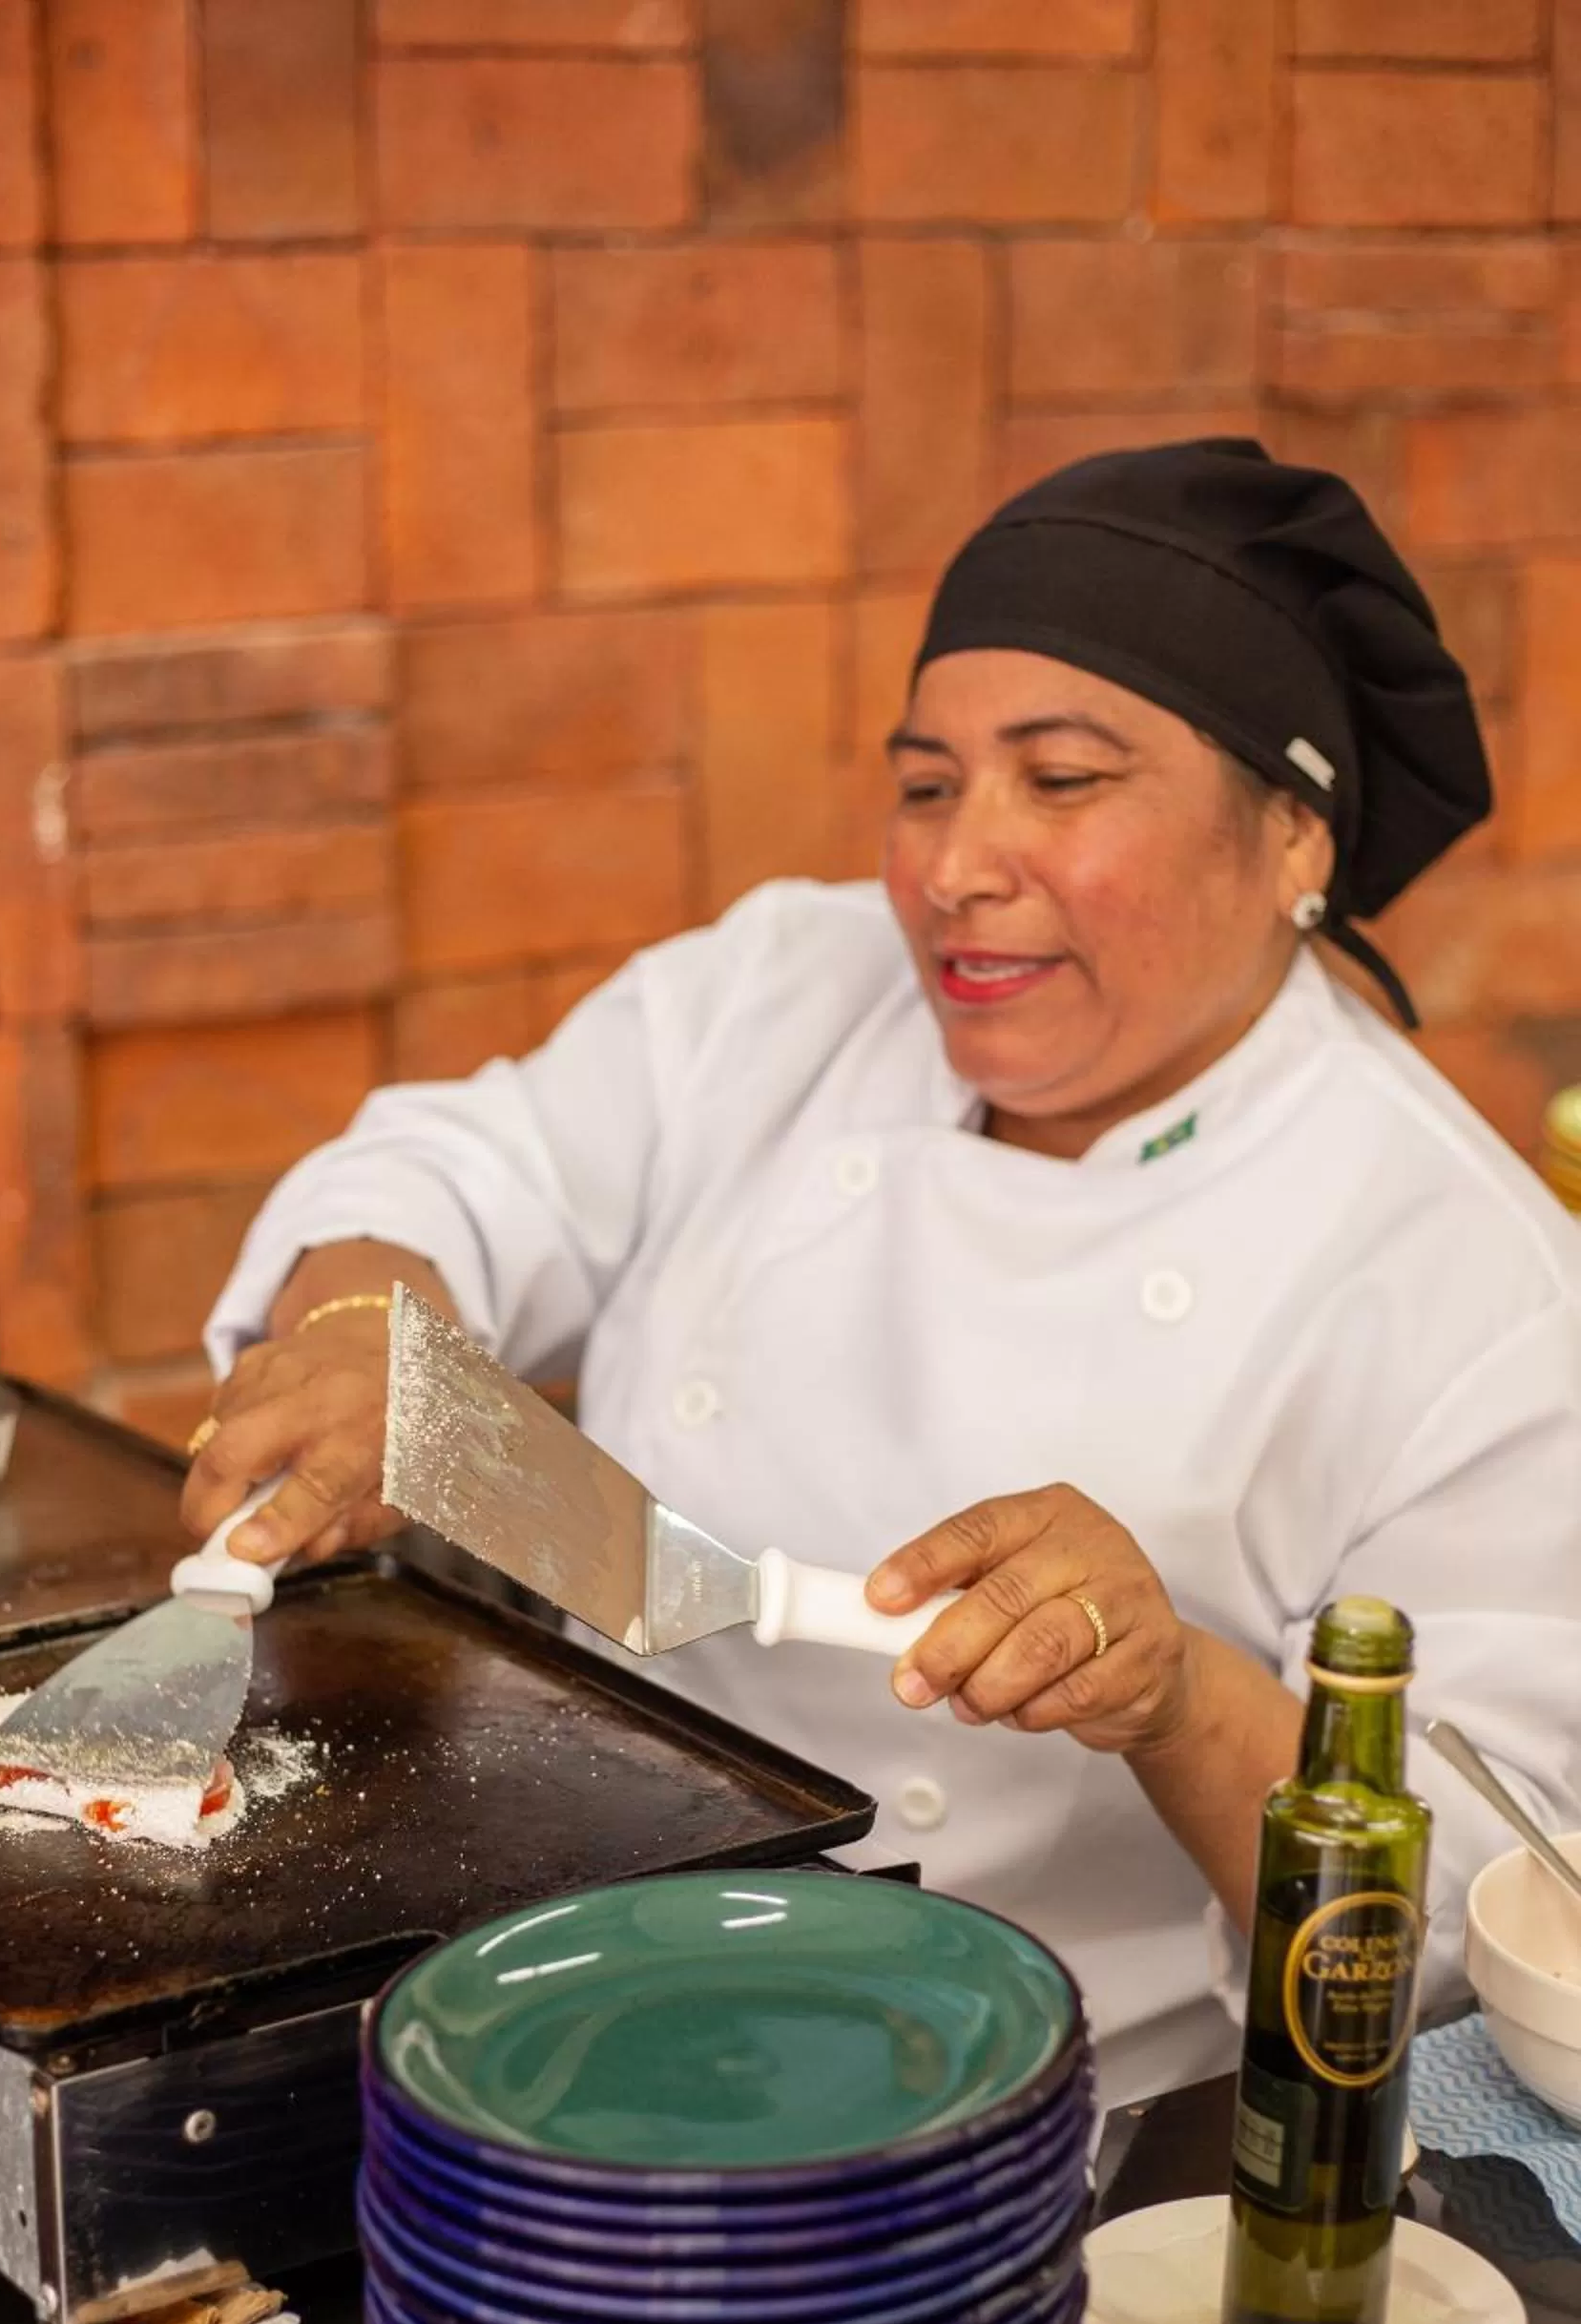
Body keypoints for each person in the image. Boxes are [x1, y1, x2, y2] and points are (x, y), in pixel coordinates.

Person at [189, 438, 1581, 2108]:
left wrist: (1170, 1691)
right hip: (552, 1966)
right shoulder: (789, 980)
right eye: (928, 784)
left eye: (1061, 781)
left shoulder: (1482, 1295)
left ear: (1294, 839)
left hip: (1018, 2139)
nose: (954, 866)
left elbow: (1454, 1929)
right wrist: (361, 1331)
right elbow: (459, 1168)